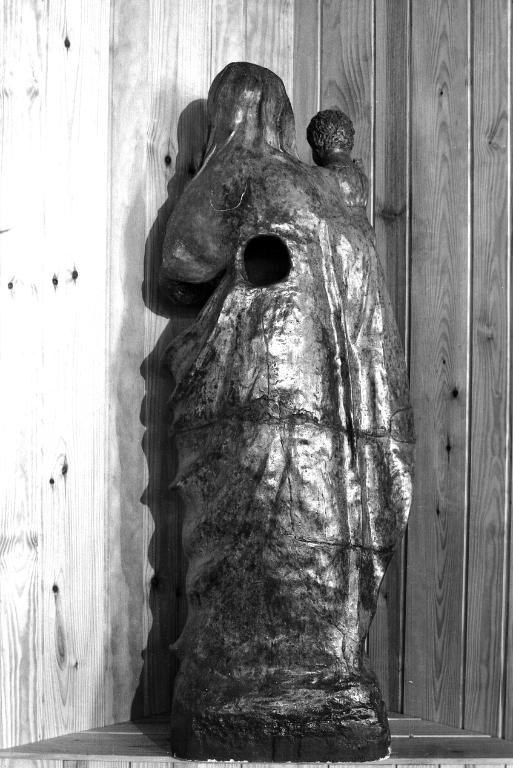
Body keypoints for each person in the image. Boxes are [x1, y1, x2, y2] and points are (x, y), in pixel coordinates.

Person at [160, 62, 414, 762]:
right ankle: (328, 681)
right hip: (334, 404)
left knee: (248, 530)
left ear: (228, 116)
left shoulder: (234, 173)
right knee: (319, 529)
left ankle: (234, 691)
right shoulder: (331, 190)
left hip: (252, 393)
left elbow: (182, 264)